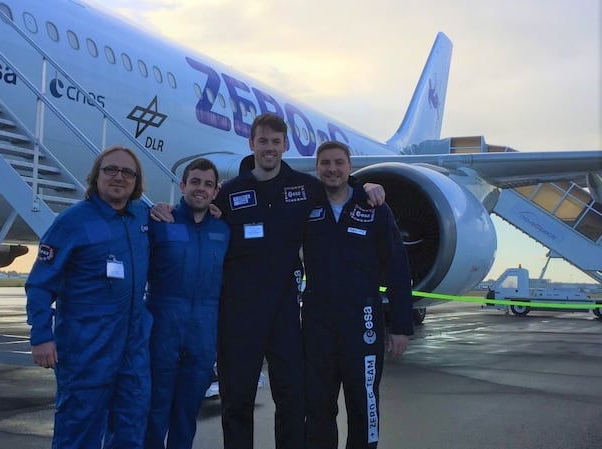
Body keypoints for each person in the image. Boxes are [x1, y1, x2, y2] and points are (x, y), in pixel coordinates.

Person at [150, 113, 384, 449]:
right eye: (263, 141)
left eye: (276, 142)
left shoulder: (305, 188)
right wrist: (164, 209)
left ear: (285, 145)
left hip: (284, 317)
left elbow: (339, 188)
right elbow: (195, 210)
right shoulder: (230, 192)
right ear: (252, 144)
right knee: (237, 402)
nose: (269, 148)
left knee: (291, 400)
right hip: (239, 317)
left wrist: (366, 186)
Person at [25, 145, 152, 449]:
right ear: (96, 176)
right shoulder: (72, 222)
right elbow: (40, 284)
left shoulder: (142, 218)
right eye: (111, 170)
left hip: (132, 353)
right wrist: (40, 335)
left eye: (127, 172)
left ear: (136, 182)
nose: (119, 177)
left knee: (130, 432)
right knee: (78, 433)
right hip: (87, 352)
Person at [302, 140, 414, 449]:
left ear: (350, 168)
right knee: (318, 405)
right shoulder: (307, 206)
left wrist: (401, 326)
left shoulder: (373, 207)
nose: (332, 169)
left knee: (363, 405)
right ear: (317, 168)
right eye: (325, 163)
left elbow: (396, 268)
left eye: (339, 162)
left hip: (361, 322)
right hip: (317, 324)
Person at [144, 158, 230, 449]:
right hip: (163, 329)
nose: (201, 189)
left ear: (215, 191)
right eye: (195, 182)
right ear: (182, 186)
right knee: (154, 410)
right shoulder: (159, 222)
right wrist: (154, 207)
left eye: (208, 184)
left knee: (187, 412)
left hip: (203, 333)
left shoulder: (223, 230)